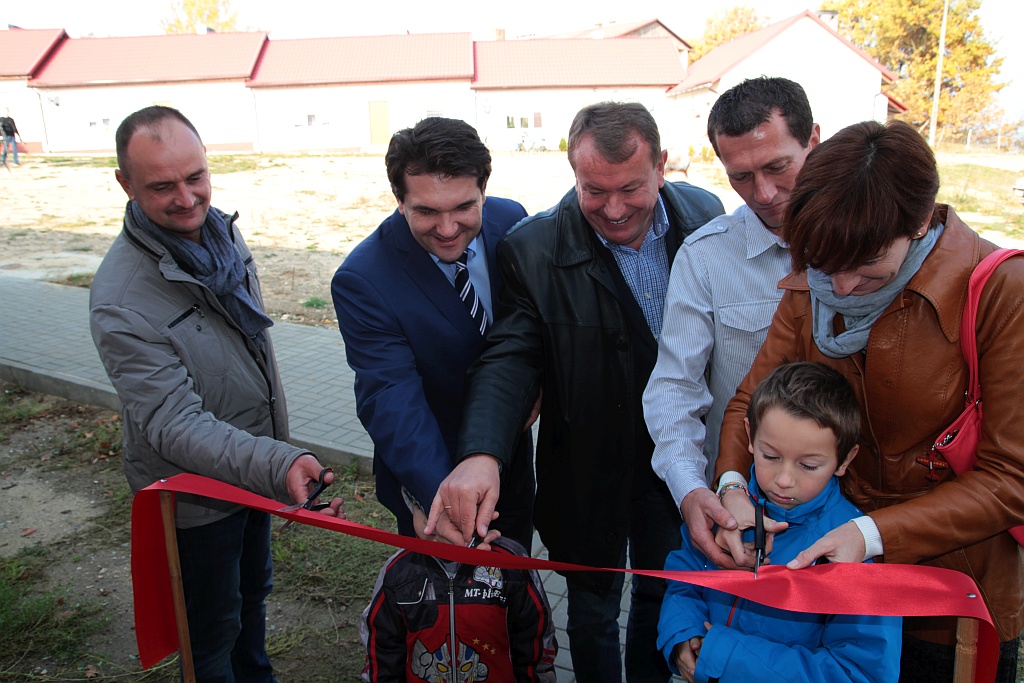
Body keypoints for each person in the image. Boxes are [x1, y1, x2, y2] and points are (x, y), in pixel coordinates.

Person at [711, 120, 1024, 682]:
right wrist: (733, 489)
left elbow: (1012, 479)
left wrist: (871, 534)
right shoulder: (817, 279)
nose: (843, 288)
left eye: (867, 269)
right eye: (826, 267)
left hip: (948, 605)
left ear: (921, 221)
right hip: (827, 597)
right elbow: (748, 404)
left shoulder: (1004, 291)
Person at [427, 102, 725, 682]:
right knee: (591, 609)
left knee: (662, 595)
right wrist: (481, 453)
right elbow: (510, 358)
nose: (613, 210)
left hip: (679, 463)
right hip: (590, 469)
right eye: (594, 191)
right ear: (573, 174)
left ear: (662, 166)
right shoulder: (532, 248)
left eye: (631, 188)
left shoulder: (704, 214)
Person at [89, 105, 342, 682]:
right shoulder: (121, 298)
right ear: (125, 186)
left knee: (253, 594)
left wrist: (272, 460)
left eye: (195, 177)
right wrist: (279, 461)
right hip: (197, 499)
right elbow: (173, 425)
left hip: (253, 472)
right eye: (161, 186)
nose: (186, 198)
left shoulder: (220, 235)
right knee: (210, 633)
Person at [331, 117, 535, 549]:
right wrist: (440, 496)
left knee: (517, 593)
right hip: (429, 471)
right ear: (399, 201)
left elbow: (532, 323)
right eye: (426, 211)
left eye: (463, 207)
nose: (447, 229)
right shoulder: (363, 279)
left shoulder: (512, 221)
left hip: (511, 458)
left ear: (484, 188)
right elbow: (389, 395)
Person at [644, 77, 820, 570]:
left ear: (814, 139)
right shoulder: (704, 258)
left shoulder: (870, 239)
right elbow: (673, 389)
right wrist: (691, 489)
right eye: (740, 176)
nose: (763, 193)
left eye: (778, 167)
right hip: (744, 515)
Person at [658, 362, 901, 683]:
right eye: (770, 457)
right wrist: (681, 634)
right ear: (750, 437)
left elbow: (859, 673)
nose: (784, 480)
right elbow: (685, 574)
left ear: (845, 460)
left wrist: (722, 657)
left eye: (809, 465)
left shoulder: (856, 552)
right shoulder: (727, 510)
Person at [361, 505, 556, 682]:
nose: (438, 524)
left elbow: (535, 641)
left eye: (452, 510)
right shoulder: (398, 572)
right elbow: (382, 648)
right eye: (425, 508)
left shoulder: (510, 566)